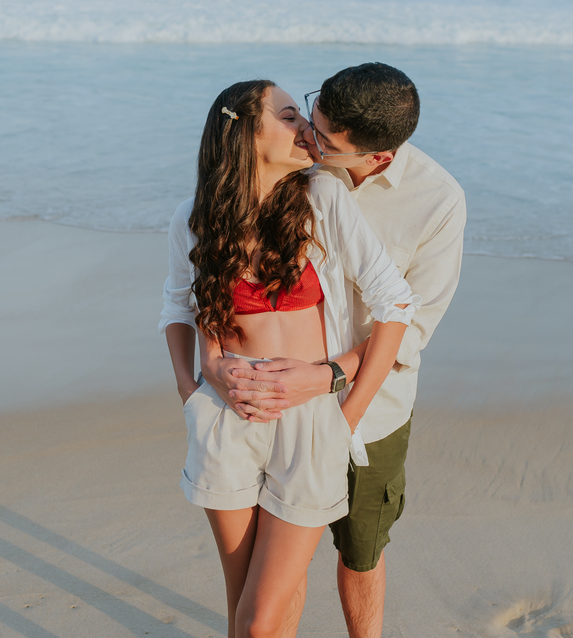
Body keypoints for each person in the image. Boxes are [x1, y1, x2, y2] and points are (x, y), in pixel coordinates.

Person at [199, 63, 466, 638]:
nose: (309, 141)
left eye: (324, 140)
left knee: (360, 551)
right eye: (309, 121)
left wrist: (330, 385)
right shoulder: (302, 175)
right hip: (274, 410)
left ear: (378, 157)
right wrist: (204, 371)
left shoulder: (437, 201)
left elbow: (409, 324)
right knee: (274, 577)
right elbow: (210, 278)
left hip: (370, 409)